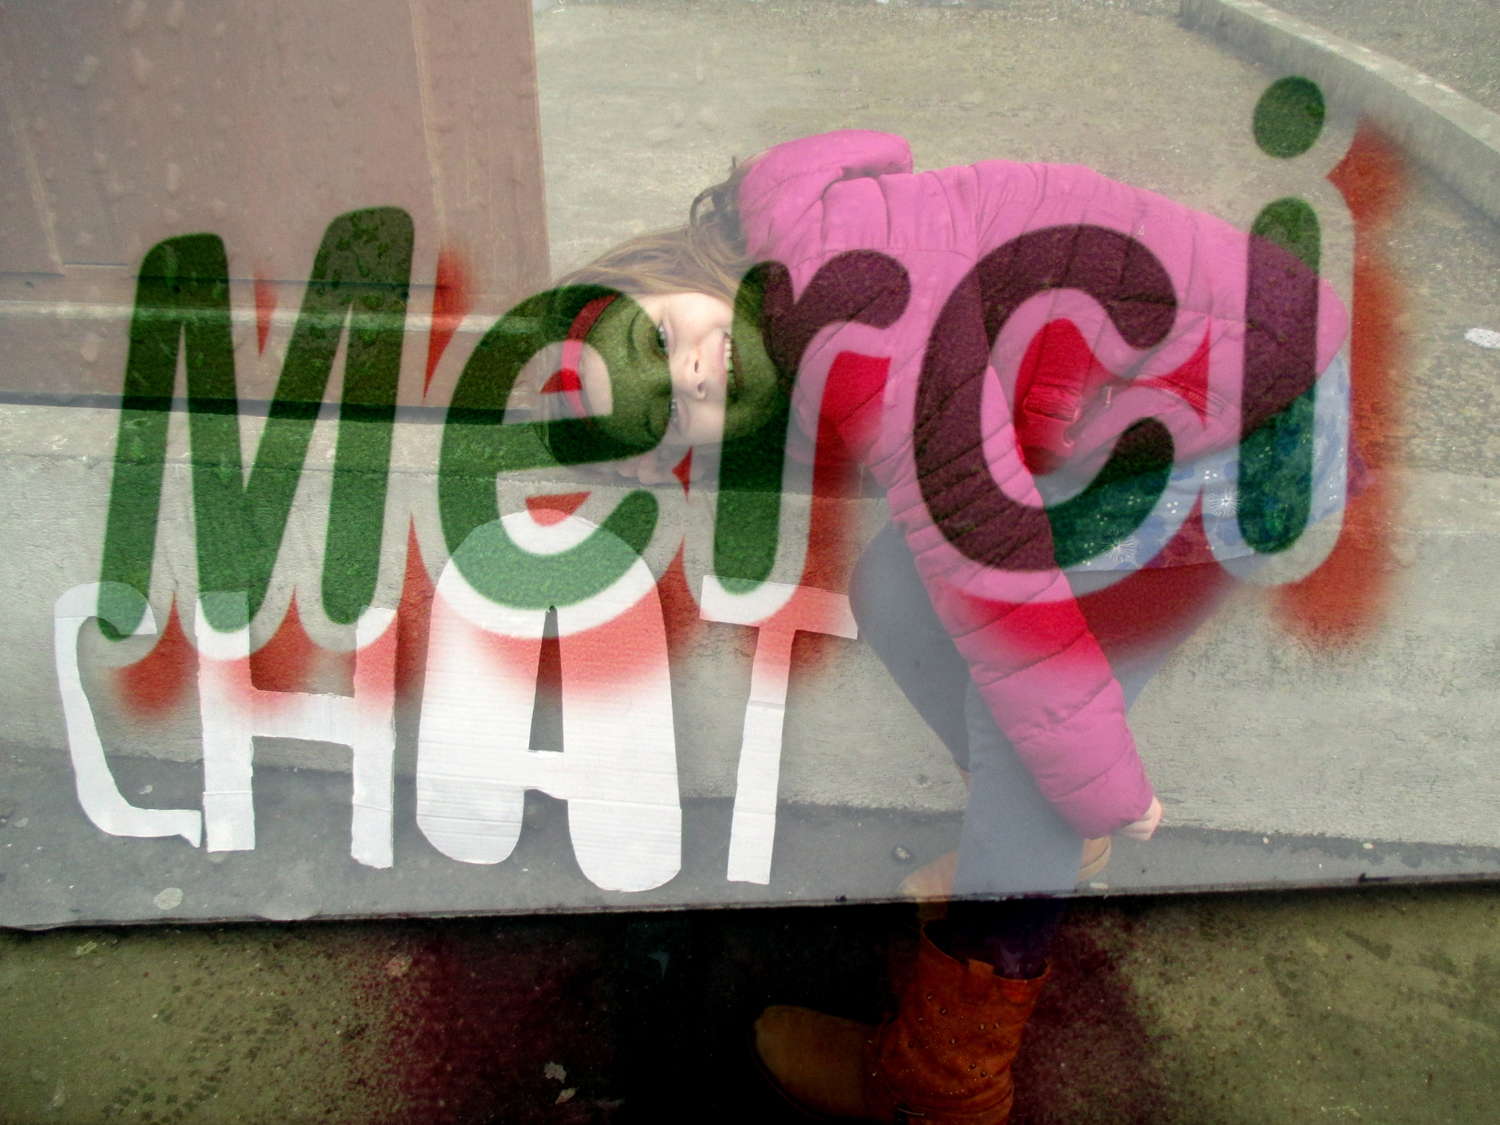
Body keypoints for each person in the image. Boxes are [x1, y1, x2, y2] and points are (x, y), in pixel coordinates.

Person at [535, 130, 1350, 1124]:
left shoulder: (855, 326)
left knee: (1032, 750)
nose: (692, 378)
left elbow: (1004, 586)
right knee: (893, 586)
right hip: (1206, 363)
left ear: (665, 270)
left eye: (660, 342)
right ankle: (1052, 843)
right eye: (667, 414)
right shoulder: (799, 247)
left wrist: (1102, 788)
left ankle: (942, 1082)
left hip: (1248, 425)